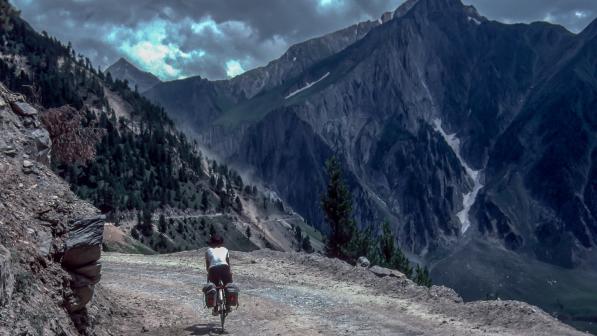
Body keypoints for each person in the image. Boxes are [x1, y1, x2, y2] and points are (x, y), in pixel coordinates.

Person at [205, 234, 233, 315]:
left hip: (213, 269)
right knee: (228, 285)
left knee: (214, 287)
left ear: (212, 243)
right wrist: (229, 272)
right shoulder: (225, 249)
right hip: (225, 268)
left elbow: (208, 265)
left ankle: (215, 308)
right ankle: (228, 306)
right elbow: (227, 263)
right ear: (221, 243)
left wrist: (209, 273)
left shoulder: (208, 251)